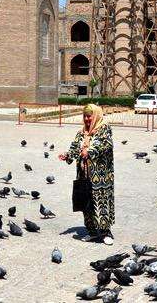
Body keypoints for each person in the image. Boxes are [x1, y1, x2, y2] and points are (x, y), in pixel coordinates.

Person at [59, 103, 115, 245]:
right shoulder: (81, 132)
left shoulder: (104, 129)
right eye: (84, 116)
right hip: (84, 175)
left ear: (95, 116)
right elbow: (74, 148)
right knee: (86, 203)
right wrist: (67, 155)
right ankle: (92, 232)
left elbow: (106, 145)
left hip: (100, 176)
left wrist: (89, 151)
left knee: (101, 203)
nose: (87, 119)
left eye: (89, 116)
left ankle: (105, 232)